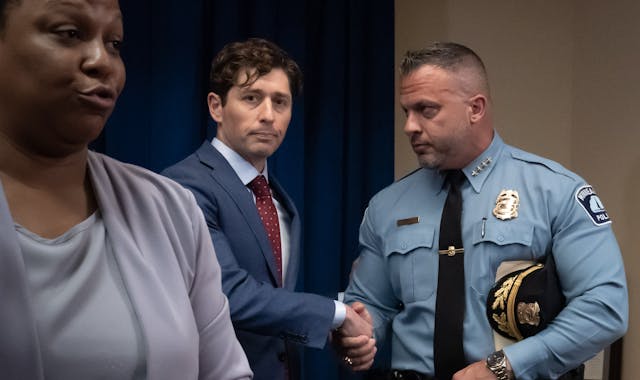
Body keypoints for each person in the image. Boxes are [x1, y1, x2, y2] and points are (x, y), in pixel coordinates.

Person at [344, 42, 628, 380]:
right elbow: (372, 303)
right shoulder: (387, 206)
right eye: (407, 111)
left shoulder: (556, 192)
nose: (410, 126)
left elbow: (604, 307)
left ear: (475, 108)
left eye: (426, 110)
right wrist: (358, 333)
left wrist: (505, 366)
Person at [0, 0, 252, 379]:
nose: (103, 61)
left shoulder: (170, 208)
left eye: (115, 43)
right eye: (70, 33)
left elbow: (225, 372)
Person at [162, 38, 375, 380]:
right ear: (216, 107)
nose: (267, 115)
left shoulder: (280, 201)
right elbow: (227, 294)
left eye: (281, 102)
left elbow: (271, 303)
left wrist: (336, 329)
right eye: (251, 98)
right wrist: (335, 314)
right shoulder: (183, 186)